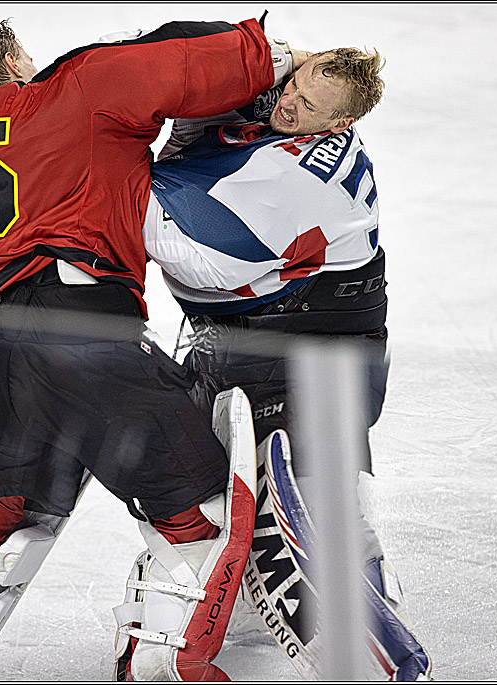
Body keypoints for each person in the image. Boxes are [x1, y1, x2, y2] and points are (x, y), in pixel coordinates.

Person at [0, 15, 304, 682]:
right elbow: (175, 65)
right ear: (10, 65)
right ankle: (169, 661)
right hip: (80, 338)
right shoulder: (72, 90)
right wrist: (271, 54)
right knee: (202, 501)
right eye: (27, 55)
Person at [140, 47, 433, 679]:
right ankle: (337, 576)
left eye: (308, 105)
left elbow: (196, 254)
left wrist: (93, 184)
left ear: (336, 126)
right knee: (282, 482)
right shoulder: (282, 112)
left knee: (302, 491)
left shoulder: (301, 178)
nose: (289, 102)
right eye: (294, 83)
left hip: (307, 353)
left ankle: (363, 600)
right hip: (270, 339)